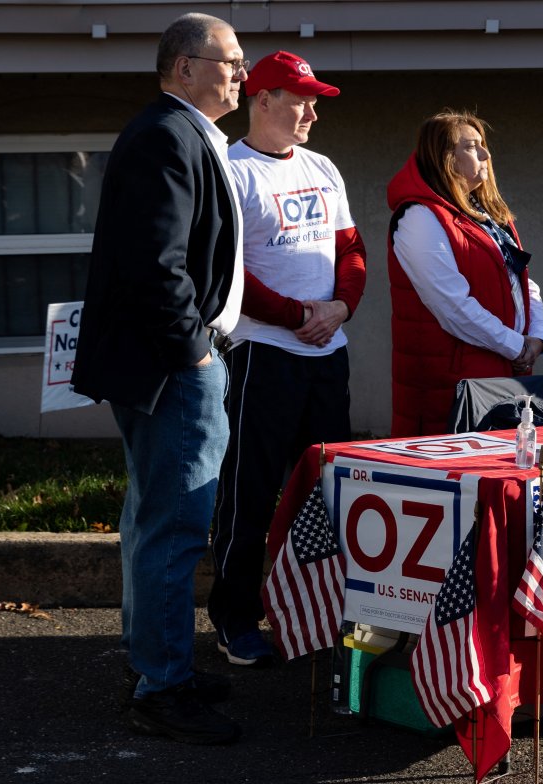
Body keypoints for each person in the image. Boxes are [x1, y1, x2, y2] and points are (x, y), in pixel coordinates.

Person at [71, 13, 246, 743]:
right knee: (175, 525)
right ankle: (162, 685)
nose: (241, 72)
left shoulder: (178, 135)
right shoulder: (167, 138)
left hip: (169, 362)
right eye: (229, 60)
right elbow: (156, 263)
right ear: (183, 68)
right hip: (174, 367)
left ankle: (155, 663)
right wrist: (195, 351)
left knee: (153, 519)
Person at [209, 51, 366, 666]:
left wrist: (340, 309)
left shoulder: (323, 167)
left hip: (328, 353)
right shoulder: (231, 167)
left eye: (314, 101)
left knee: (330, 493)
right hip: (262, 355)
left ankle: (315, 611)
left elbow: (350, 249)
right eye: (300, 100)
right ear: (263, 99)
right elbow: (228, 270)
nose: (311, 113)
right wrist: (298, 315)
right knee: (250, 492)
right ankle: (235, 619)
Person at [386, 110, 543, 437]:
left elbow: (522, 281)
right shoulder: (419, 218)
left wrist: (538, 338)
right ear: (445, 158)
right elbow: (453, 308)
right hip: (451, 390)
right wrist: (517, 346)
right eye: (472, 146)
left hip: (499, 378)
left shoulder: (487, 216)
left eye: (482, 145)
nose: (486, 155)